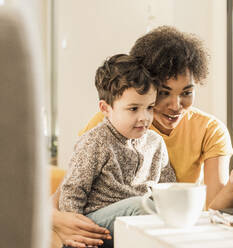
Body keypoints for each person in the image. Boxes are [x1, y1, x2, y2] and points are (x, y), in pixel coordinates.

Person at [52, 26, 233, 248]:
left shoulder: (205, 131)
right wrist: (63, 224)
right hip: (109, 224)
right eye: (164, 93)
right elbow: (69, 191)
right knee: (143, 206)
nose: (176, 105)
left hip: (151, 230)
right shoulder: (109, 124)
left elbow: (208, 208)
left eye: (187, 93)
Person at [57, 53, 176, 247]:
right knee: (139, 206)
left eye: (149, 107)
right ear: (105, 108)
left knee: (157, 209)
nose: (144, 117)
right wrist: (74, 236)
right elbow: (72, 192)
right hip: (95, 224)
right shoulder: (95, 141)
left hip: (138, 223)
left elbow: (168, 188)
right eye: (133, 109)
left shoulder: (156, 143)